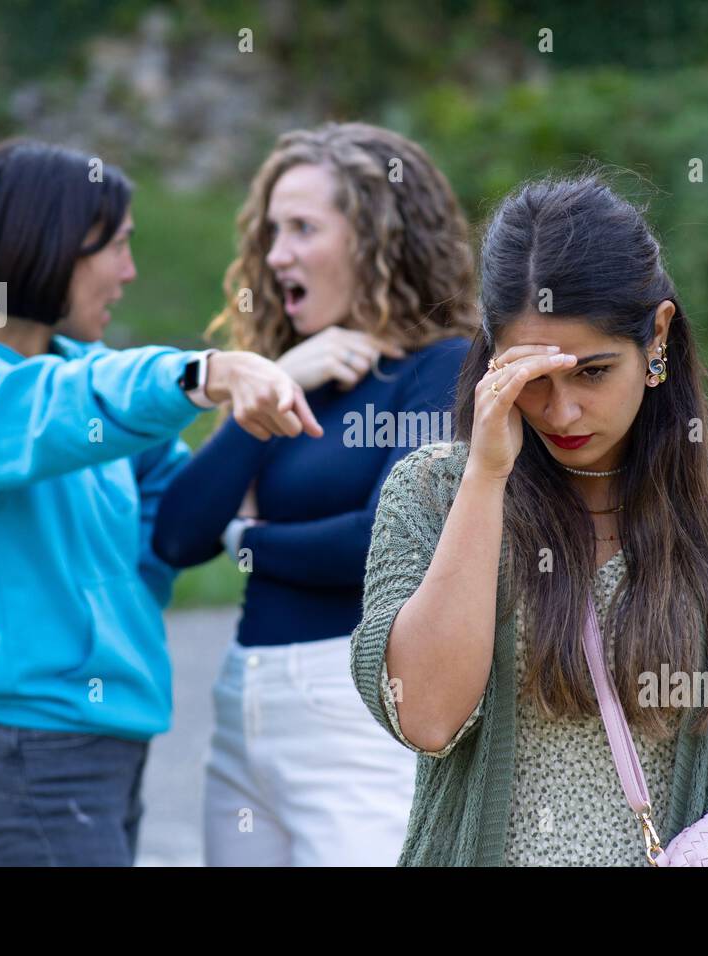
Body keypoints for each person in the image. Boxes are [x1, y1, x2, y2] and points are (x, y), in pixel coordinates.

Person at [350, 173, 708, 866]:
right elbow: (428, 716)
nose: (561, 412)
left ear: (656, 335)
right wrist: (485, 477)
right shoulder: (434, 493)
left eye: (592, 372)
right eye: (533, 377)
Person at [0, 139, 320, 866]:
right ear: (48, 246)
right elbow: (54, 410)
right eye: (116, 247)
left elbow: (173, 515)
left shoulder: (80, 370)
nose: (131, 272)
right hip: (23, 753)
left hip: (102, 744)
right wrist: (204, 372)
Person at [151, 122, 477, 865]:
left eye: (302, 228)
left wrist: (246, 542)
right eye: (272, 231)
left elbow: (383, 544)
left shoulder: (439, 367)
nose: (276, 255)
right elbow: (175, 532)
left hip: (353, 712)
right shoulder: (290, 372)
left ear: (376, 238)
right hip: (243, 705)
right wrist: (284, 376)